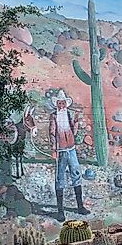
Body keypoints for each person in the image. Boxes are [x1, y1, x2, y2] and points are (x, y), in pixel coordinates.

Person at [48, 90, 90, 221]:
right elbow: (52, 133)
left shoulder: (69, 114)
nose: (61, 105)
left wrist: (76, 123)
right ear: (57, 104)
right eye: (59, 103)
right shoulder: (54, 116)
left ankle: (80, 206)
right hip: (60, 151)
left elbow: (74, 132)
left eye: (63, 103)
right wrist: (54, 149)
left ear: (66, 104)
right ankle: (60, 211)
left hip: (71, 149)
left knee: (76, 173)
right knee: (60, 178)